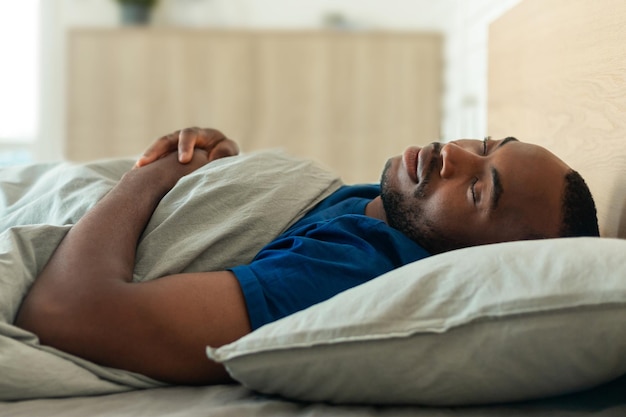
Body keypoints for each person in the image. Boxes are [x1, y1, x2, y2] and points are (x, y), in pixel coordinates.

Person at [14, 127, 599, 386]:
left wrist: (156, 177)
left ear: (484, 262)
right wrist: (217, 158)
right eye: (486, 146)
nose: (453, 154)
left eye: (478, 192)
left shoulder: (352, 271)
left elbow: (71, 312)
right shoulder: (390, 207)